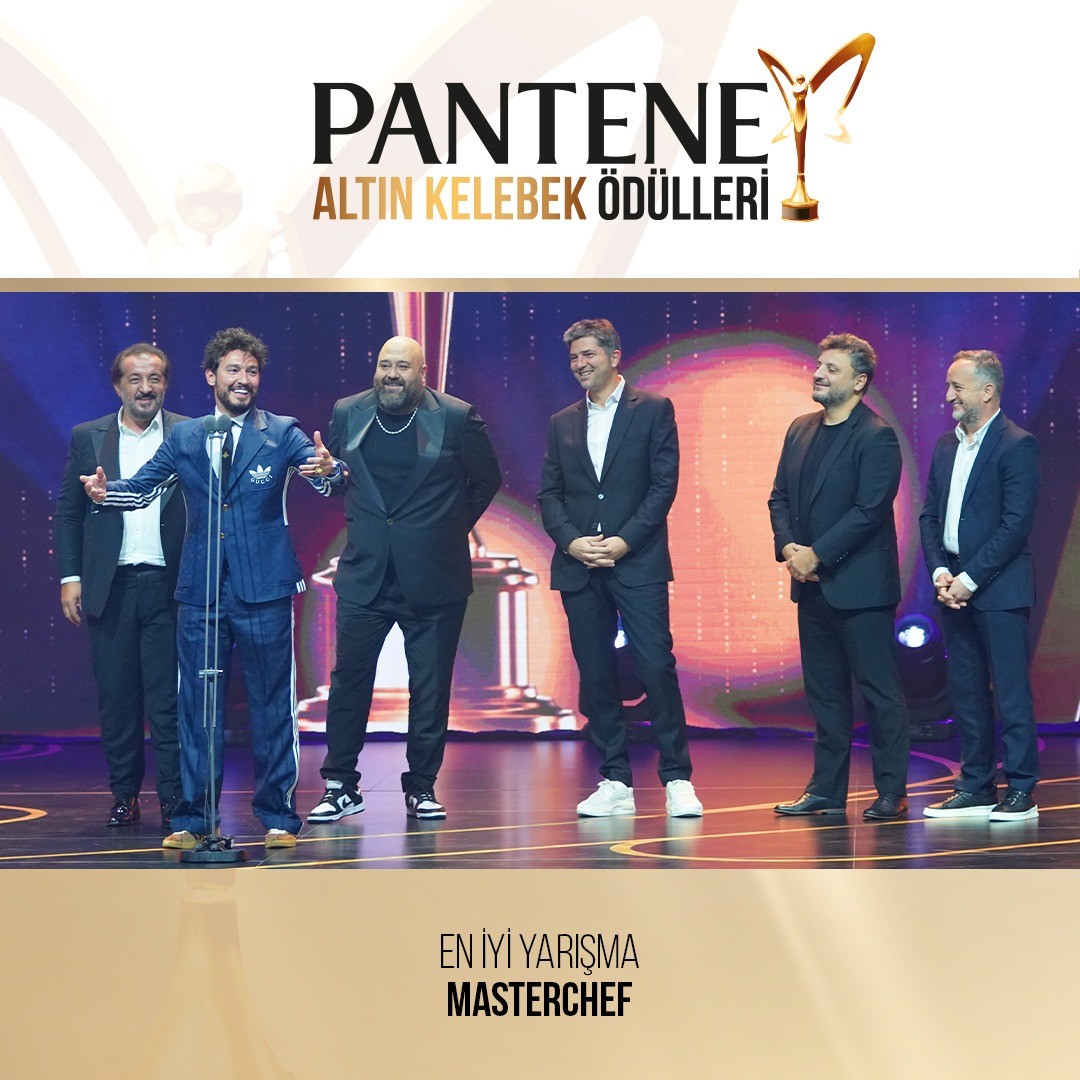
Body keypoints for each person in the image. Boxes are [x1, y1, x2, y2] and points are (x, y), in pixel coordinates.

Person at [81, 327, 343, 849]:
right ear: (211, 376)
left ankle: (278, 816)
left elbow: (325, 476)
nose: (243, 379)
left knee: (273, 706)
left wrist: (329, 470)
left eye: (252, 371)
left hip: (265, 590)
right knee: (197, 710)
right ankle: (194, 820)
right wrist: (106, 493)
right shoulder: (186, 437)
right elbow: (141, 490)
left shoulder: (281, 431)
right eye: (233, 370)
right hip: (201, 592)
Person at [306, 335, 502, 823]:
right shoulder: (348, 411)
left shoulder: (456, 416)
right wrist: (327, 475)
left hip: (434, 577)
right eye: (384, 365)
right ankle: (340, 785)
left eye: (402, 366)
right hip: (366, 573)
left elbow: (486, 479)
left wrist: (448, 527)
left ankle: (421, 786)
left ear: (423, 372)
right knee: (349, 682)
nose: (391, 374)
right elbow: (338, 481)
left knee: (429, 688)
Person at [538, 318, 703, 818]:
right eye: (573, 357)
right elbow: (550, 493)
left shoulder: (652, 409)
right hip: (580, 565)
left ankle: (677, 778)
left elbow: (663, 485)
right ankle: (614, 779)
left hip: (637, 561)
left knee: (655, 665)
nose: (580, 364)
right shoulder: (562, 421)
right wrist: (572, 542)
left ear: (613, 356)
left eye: (588, 354)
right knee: (596, 675)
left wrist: (625, 540)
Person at [769, 332, 910, 820]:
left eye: (832, 369)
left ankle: (891, 791)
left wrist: (818, 555)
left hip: (861, 588)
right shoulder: (800, 429)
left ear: (859, 381)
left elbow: (869, 510)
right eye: (819, 365)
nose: (819, 373)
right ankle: (826, 790)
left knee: (879, 692)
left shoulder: (876, 435)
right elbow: (778, 497)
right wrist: (789, 547)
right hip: (810, 585)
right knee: (825, 694)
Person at [56, 343, 186, 830]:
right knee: (117, 699)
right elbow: (69, 513)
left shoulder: (187, 433)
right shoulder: (88, 436)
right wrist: (71, 577)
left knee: (168, 701)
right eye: (135, 379)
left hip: (170, 586)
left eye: (155, 379)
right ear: (118, 386)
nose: (145, 388)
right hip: (110, 587)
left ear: (166, 384)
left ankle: (174, 798)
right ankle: (125, 795)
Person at [919, 350, 1041, 821]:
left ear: (987, 391)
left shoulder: (1017, 444)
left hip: (999, 588)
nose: (948, 395)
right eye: (949, 385)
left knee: (1010, 691)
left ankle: (1022, 790)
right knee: (966, 691)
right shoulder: (945, 446)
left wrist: (969, 580)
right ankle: (976, 786)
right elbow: (930, 516)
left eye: (957, 386)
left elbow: (1015, 525)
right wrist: (940, 573)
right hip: (952, 585)